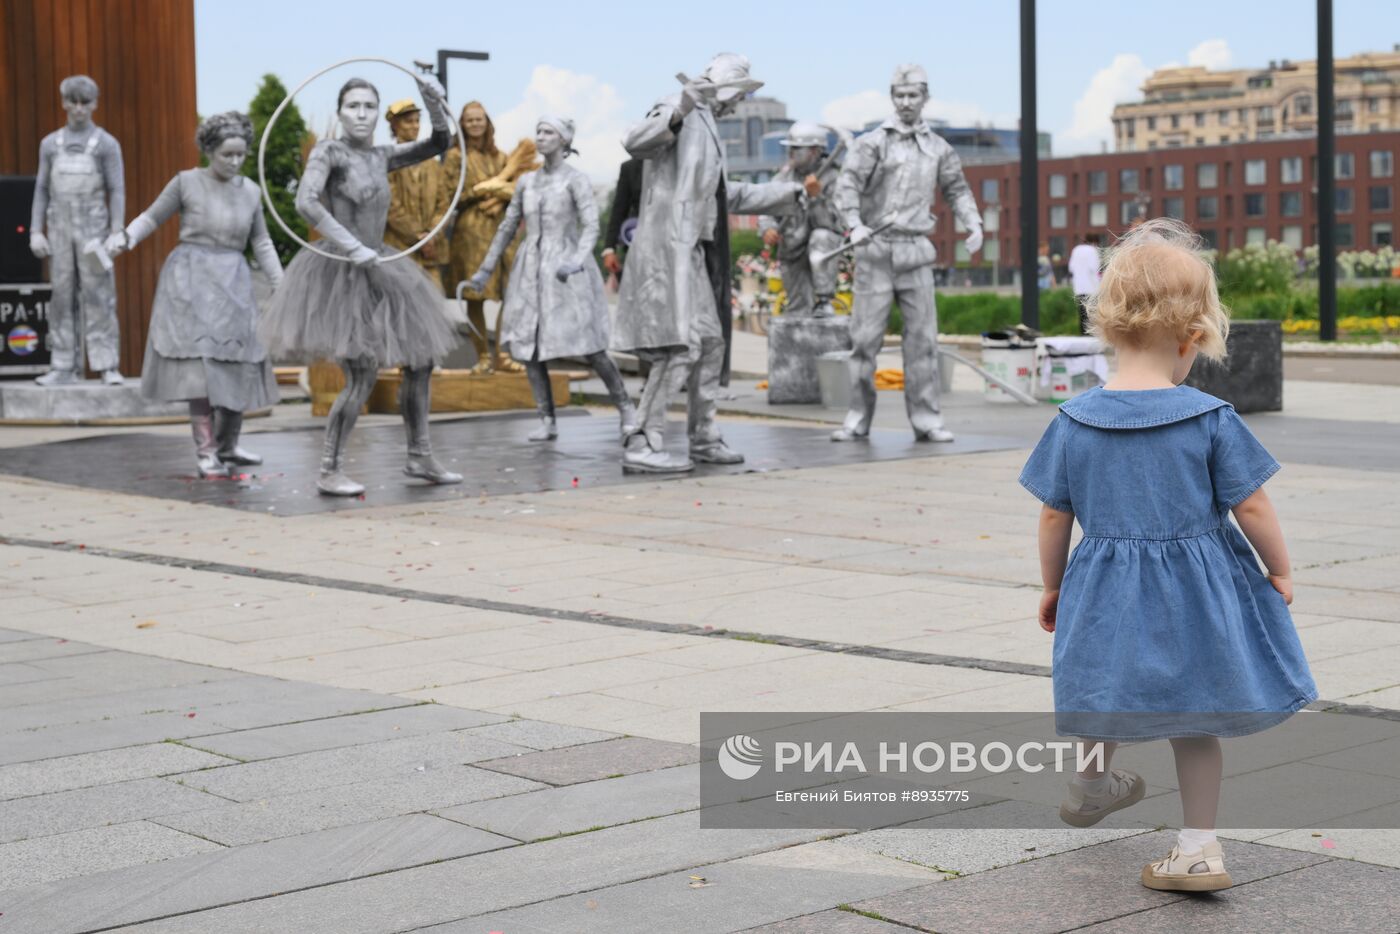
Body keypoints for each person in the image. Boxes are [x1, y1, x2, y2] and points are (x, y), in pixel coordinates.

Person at [1019, 218, 1317, 893]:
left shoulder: (1074, 418)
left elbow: (1053, 512)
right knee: (1196, 715)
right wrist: (1280, 569)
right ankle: (1198, 848)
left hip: (1101, 583)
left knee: (1104, 692)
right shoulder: (1208, 417)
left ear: (1109, 327)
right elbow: (1253, 507)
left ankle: (1092, 783)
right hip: (1197, 590)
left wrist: (1051, 583)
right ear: (1192, 338)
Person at [259, 75, 462, 497]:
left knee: (421, 361)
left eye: (370, 106)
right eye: (353, 106)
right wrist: (350, 246)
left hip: (380, 264)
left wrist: (433, 101)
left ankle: (419, 454)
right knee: (362, 373)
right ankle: (330, 468)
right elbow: (305, 202)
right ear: (340, 112)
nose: (362, 114)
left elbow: (439, 144)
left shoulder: (381, 155)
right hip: (340, 270)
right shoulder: (329, 152)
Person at [613, 52, 814, 474]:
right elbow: (634, 142)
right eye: (738, 95)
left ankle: (702, 436)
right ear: (722, 86)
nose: (738, 105)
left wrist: (789, 195)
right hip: (667, 248)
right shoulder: (679, 105)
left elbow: (725, 196)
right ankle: (641, 438)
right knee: (680, 346)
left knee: (710, 343)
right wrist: (682, 106)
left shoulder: (709, 128)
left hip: (691, 252)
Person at [115, 112, 282, 478]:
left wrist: (279, 281)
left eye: (241, 155)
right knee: (201, 372)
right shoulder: (186, 183)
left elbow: (262, 241)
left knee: (239, 363)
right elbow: (152, 216)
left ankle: (229, 444)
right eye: (227, 155)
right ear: (209, 150)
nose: (235, 162)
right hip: (191, 281)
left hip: (234, 282)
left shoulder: (251, 191)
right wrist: (126, 237)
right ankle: (206, 450)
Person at [831, 64, 982, 443]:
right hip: (875, 250)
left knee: (923, 341)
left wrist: (974, 222)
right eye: (899, 95)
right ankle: (858, 415)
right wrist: (854, 223)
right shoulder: (872, 143)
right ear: (892, 97)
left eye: (913, 95)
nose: (906, 102)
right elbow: (846, 185)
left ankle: (927, 418)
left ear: (925, 98)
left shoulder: (938, 148)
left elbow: (957, 189)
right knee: (864, 341)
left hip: (916, 250)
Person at [466, 116, 637, 442]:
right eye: (539, 131)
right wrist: (486, 267)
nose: (540, 137)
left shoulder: (576, 180)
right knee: (528, 345)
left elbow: (590, 225)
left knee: (591, 345)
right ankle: (546, 418)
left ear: (563, 140)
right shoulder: (527, 182)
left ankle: (625, 406)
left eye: (548, 132)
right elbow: (507, 226)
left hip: (566, 265)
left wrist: (575, 260)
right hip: (531, 267)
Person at [28, 75, 126, 386]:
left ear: (95, 104)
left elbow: (117, 189)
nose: (79, 108)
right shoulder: (50, 144)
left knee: (100, 296)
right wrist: (35, 231)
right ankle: (62, 365)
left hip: (94, 233)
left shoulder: (106, 144)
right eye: (74, 101)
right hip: (59, 231)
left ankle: (107, 364)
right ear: (64, 103)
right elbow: (41, 189)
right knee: (61, 297)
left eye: (86, 102)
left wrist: (116, 230)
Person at [443, 102, 532, 374]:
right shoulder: (456, 157)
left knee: (510, 291)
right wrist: (486, 189)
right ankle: (483, 356)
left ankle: (502, 354)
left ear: (487, 121)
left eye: (479, 119)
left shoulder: (502, 157)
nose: (475, 124)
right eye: (469, 120)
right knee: (474, 295)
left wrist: (498, 195)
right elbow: (452, 196)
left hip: (502, 230)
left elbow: (517, 192)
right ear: (462, 124)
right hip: (470, 233)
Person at [759, 121, 843, 318]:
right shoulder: (783, 178)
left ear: (814, 151)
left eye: (797, 149)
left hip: (821, 245)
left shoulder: (833, 178)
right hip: (792, 245)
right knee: (797, 309)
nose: (791, 153)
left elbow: (835, 222)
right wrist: (767, 228)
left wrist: (817, 198)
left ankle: (824, 301)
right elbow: (766, 208)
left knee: (821, 238)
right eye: (790, 148)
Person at [384, 98, 452, 290]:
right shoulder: (386, 160)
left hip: (430, 253)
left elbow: (444, 203)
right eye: (408, 121)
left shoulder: (432, 163)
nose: (415, 126)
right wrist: (417, 237)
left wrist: (431, 235)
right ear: (395, 125)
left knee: (435, 307)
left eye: (417, 121)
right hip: (398, 250)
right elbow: (390, 205)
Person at [601, 157, 643, 281]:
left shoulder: (680, 159)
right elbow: (619, 210)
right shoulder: (630, 168)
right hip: (638, 246)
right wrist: (610, 249)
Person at [1067, 233, 1102, 335]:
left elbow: (1071, 268)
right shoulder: (1092, 251)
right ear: (1095, 242)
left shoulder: (1076, 250)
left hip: (1079, 287)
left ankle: (1083, 333)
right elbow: (1094, 268)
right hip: (1092, 287)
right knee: (1091, 312)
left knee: (1082, 312)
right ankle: (1091, 333)